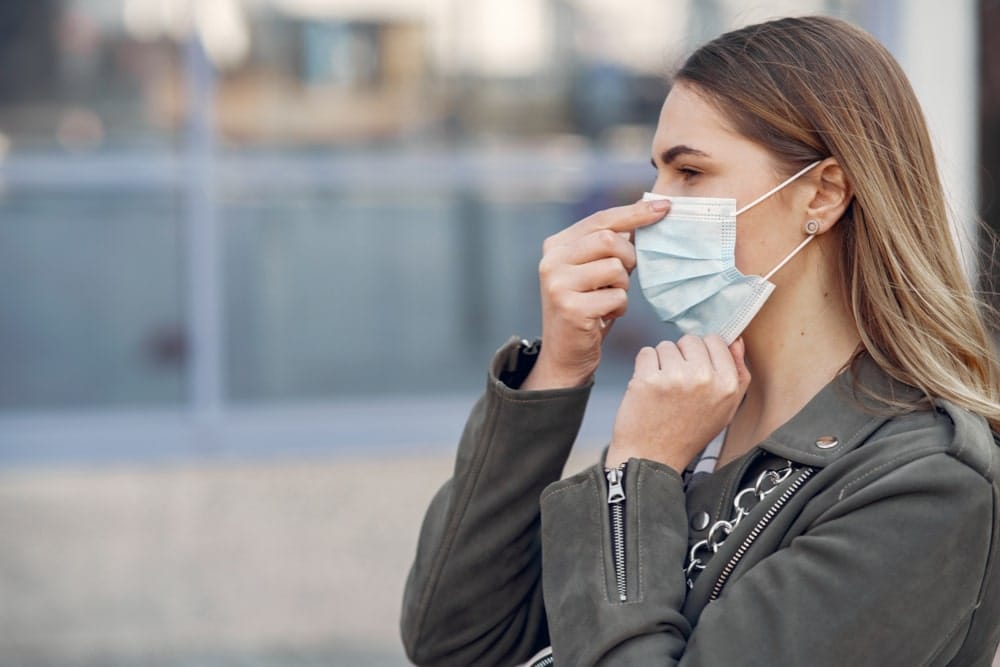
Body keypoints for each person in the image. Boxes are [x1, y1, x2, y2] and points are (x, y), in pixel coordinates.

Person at [400, 15, 1000, 666]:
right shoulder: (698, 421)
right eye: (656, 173)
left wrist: (634, 477)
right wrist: (558, 370)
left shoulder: (927, 486)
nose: (653, 208)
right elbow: (456, 637)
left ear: (823, 193)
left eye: (689, 173)